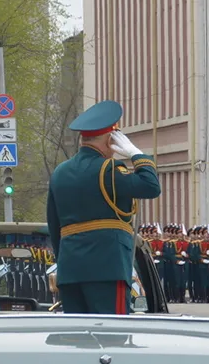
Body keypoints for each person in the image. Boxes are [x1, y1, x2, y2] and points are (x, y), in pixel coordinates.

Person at [47, 99, 162, 314]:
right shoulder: (109, 170)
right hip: (108, 269)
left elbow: (55, 227)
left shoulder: (60, 173)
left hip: (71, 270)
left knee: (77, 339)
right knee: (112, 336)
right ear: (111, 139)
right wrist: (137, 154)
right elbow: (151, 187)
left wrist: (65, 261)